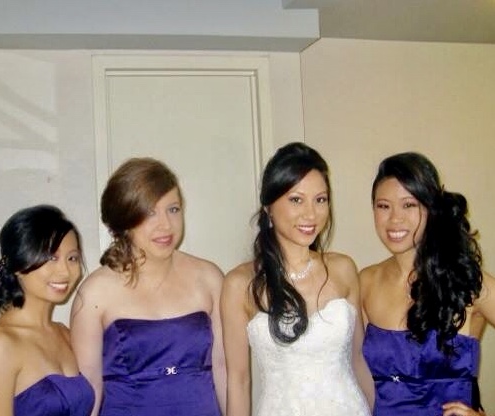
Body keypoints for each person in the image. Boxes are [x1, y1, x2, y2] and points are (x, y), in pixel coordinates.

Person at [221, 142, 374, 416]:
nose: (311, 214)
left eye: (320, 200)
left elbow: (359, 359)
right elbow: (239, 381)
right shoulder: (239, 283)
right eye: (296, 200)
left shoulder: (343, 268)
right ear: (269, 206)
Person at [70, 157, 226, 416]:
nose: (166, 225)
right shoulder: (95, 293)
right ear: (125, 220)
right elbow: (90, 390)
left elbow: (223, 368)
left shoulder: (210, 278)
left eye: (173, 209)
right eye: (150, 213)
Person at [361, 152, 495, 416]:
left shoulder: (469, 283)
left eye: (409, 205)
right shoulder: (365, 281)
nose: (395, 219)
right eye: (384, 206)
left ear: (431, 208)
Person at [0, 205, 94, 416]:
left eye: (72, 258)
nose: (65, 271)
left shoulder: (65, 334)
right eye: (51, 257)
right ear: (18, 265)